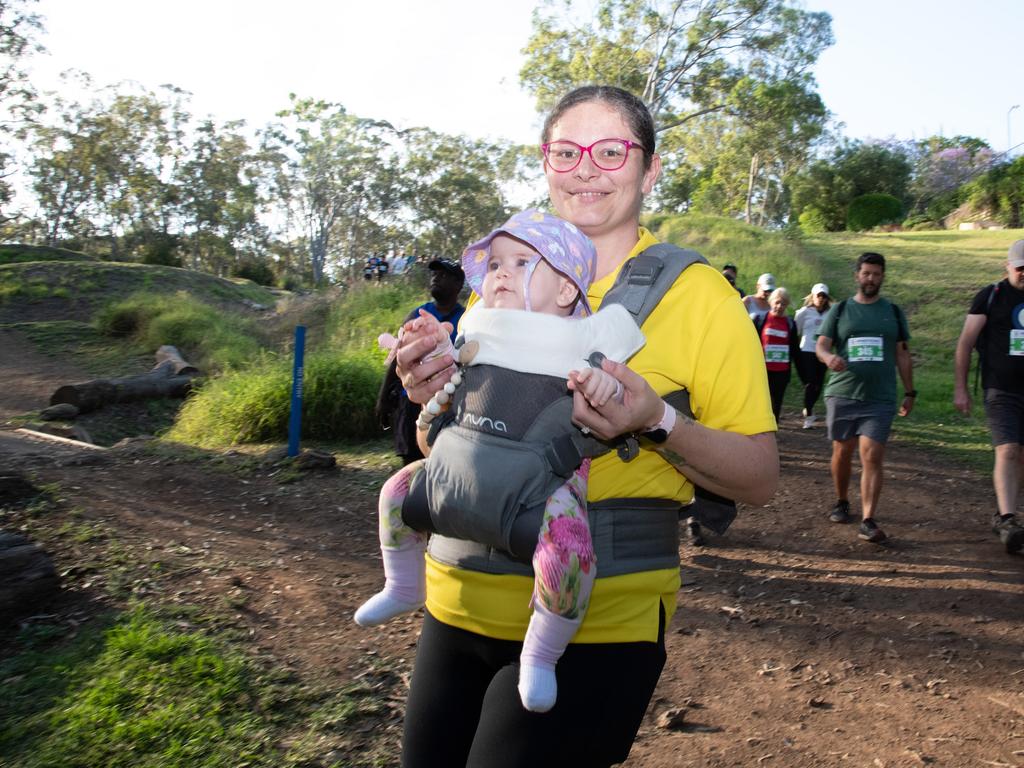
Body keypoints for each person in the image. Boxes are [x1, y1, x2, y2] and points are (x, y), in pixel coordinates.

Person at [390, 85, 778, 768]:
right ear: (545, 161)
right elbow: (444, 447)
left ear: (650, 169)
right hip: (455, 601)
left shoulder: (699, 299)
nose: (586, 169)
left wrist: (656, 420)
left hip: (602, 620)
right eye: (567, 151)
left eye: (611, 151)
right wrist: (431, 395)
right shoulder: (502, 281)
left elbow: (758, 478)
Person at [357, 209, 644, 715]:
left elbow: (618, 392)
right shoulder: (478, 330)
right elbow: (442, 384)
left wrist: (603, 385)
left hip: (544, 489)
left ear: (564, 292)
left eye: (520, 262)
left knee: (570, 556)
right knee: (396, 493)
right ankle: (402, 584)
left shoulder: (584, 340)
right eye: (493, 265)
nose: (500, 273)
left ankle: (541, 653)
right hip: (455, 467)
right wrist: (420, 349)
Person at [816, 252, 914, 544]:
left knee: (872, 455)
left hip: (880, 397)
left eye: (876, 274)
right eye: (866, 273)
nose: (871, 279)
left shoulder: (892, 312)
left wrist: (910, 391)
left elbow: (903, 354)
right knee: (842, 452)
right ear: (857, 275)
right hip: (843, 392)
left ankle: (868, 519)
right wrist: (828, 358)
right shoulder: (841, 309)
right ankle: (842, 500)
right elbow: (821, 345)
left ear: (882, 277)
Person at [952, 240, 1024, 554]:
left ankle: (1005, 513)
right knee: (1008, 449)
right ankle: (1008, 519)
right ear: (1007, 267)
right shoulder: (991, 296)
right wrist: (960, 388)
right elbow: (965, 343)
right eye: (1020, 268)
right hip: (1001, 389)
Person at [374, 259, 466, 466]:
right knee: (410, 461)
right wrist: (383, 398)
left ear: (458, 284)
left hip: (449, 402)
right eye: (434, 275)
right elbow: (397, 357)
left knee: (441, 460)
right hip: (411, 400)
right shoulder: (417, 315)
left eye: (443, 275)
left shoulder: (466, 320)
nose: (436, 278)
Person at [754, 287, 800, 423]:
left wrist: (805, 375)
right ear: (771, 301)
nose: (779, 306)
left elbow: (795, 350)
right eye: (777, 302)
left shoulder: (790, 323)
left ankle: (772, 430)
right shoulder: (760, 320)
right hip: (763, 369)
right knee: (762, 401)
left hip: (781, 371)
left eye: (783, 303)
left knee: (776, 403)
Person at [794, 283, 832, 429]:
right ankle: (808, 415)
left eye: (824, 296)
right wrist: (796, 352)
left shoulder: (830, 313)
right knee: (809, 383)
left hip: (823, 352)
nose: (821, 299)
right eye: (818, 296)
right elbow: (796, 331)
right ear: (813, 296)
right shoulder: (804, 312)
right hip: (807, 351)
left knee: (818, 384)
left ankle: (809, 407)